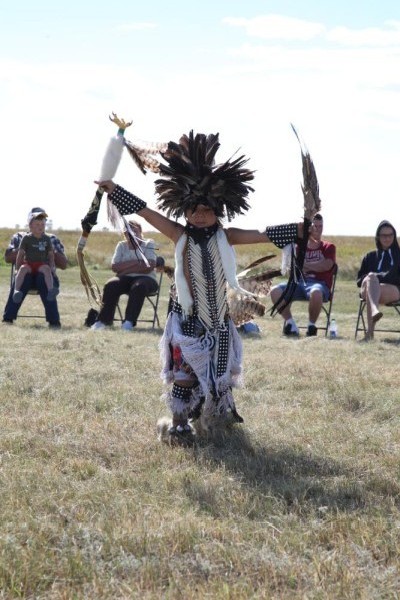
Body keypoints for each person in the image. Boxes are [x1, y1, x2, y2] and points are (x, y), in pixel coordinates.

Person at [96, 130, 304, 445]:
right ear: (184, 210)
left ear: (218, 210)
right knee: (184, 374)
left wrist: (298, 229)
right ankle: (179, 424)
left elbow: (263, 234)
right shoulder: (179, 235)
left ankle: (215, 416)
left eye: (207, 210)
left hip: (219, 318)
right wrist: (114, 190)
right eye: (194, 210)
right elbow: (146, 212)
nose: (200, 216)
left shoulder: (228, 235)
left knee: (219, 375)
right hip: (186, 317)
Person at [269, 213, 336, 337]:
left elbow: (326, 266)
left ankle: (311, 326)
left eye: (320, 226)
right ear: (309, 228)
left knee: (316, 291)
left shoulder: (328, 247)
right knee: (274, 291)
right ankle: (291, 324)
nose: (318, 229)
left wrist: (303, 265)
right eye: (315, 226)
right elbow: (291, 268)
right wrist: (313, 265)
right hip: (298, 283)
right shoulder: (299, 247)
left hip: (319, 284)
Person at [91, 220, 162, 330]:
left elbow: (149, 265)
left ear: (140, 231)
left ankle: (129, 322)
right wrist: (137, 262)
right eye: (128, 232)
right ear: (125, 234)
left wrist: (124, 270)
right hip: (125, 279)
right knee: (111, 285)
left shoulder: (149, 243)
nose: (132, 234)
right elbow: (115, 267)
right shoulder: (121, 246)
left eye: (135, 231)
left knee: (138, 286)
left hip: (147, 279)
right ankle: (103, 321)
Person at [3, 207, 68, 327]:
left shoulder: (51, 238)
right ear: (30, 224)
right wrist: (28, 246)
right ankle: (8, 318)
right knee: (24, 275)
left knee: (42, 277)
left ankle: (54, 321)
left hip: (45, 276)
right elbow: (7, 257)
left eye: (43, 222)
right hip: (25, 274)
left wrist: (48, 250)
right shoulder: (20, 237)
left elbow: (64, 264)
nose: (40, 226)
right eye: (37, 222)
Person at [356, 220, 400, 340]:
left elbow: (396, 278)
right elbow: (359, 280)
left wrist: (375, 277)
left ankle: (369, 334)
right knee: (371, 279)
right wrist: (372, 278)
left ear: (394, 236)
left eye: (390, 235)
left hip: (391, 291)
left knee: (372, 280)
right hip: (367, 288)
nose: (387, 238)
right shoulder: (369, 256)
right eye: (384, 235)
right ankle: (374, 310)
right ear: (378, 237)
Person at [13, 211, 58, 303]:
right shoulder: (26, 238)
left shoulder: (46, 239)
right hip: (28, 263)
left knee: (47, 269)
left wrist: (52, 266)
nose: (40, 226)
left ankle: (51, 290)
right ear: (30, 226)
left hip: (40, 264)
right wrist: (17, 268)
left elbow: (50, 255)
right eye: (37, 224)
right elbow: (20, 254)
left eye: (43, 224)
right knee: (22, 269)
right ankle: (16, 291)